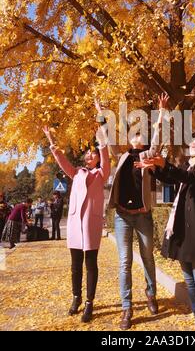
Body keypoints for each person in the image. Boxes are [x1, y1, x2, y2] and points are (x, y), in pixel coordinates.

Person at [136, 135, 195, 332]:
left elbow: (191, 179)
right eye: (193, 142)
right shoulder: (187, 165)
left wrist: (166, 164)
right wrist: (154, 168)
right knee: (190, 281)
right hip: (181, 229)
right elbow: (170, 178)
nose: (193, 144)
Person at [103, 94, 169, 330]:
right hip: (122, 215)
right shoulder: (121, 157)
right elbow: (109, 140)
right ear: (130, 140)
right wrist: (103, 115)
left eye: (141, 135)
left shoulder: (147, 156)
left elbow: (158, 140)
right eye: (134, 135)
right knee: (125, 261)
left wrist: (161, 113)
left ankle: (151, 294)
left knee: (148, 256)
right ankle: (127, 307)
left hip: (142, 215)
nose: (137, 138)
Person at [43, 112, 110, 323]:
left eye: (94, 154)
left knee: (91, 264)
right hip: (74, 224)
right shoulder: (76, 172)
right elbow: (61, 159)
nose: (91, 157)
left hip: (91, 223)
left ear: (98, 158)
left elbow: (105, 152)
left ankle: (89, 302)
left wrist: (100, 131)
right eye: (88, 155)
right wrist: (51, 140)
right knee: (75, 265)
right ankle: (76, 298)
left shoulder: (102, 173)